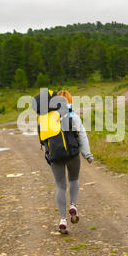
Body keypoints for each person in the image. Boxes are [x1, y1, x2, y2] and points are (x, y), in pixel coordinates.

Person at [39, 90, 94, 234]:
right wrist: (87, 155)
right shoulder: (73, 116)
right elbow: (82, 136)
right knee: (74, 179)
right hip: (73, 155)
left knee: (60, 186)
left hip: (56, 157)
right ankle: (73, 205)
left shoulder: (46, 118)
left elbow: (43, 140)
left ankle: (63, 219)